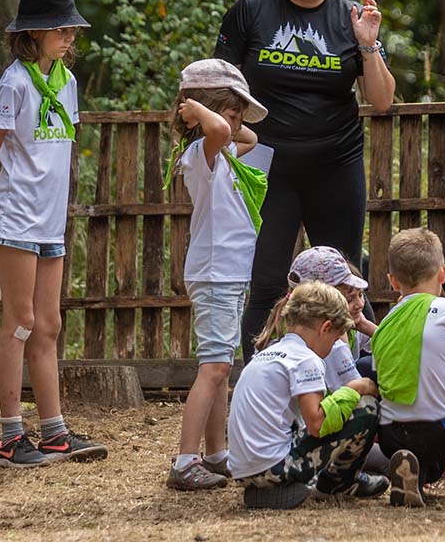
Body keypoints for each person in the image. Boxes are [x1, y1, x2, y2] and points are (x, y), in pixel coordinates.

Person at [215, 0, 396, 361]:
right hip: (267, 165)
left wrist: (368, 44)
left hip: (335, 164)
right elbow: (219, 88)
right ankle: (262, 379)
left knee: (346, 281)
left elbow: (382, 100)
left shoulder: (350, 16)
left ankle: (362, 378)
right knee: (267, 280)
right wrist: (224, 143)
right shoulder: (252, 9)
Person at [0, 0, 108, 469]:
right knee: (20, 322)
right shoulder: (13, 84)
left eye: (72, 29)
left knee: (49, 325)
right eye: (60, 28)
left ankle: (54, 432)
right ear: (32, 33)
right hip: (14, 217)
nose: (69, 36)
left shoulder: (67, 82)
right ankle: (10, 438)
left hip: (50, 222)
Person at [165, 59, 267, 490]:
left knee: (221, 366)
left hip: (229, 273)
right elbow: (223, 131)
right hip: (215, 274)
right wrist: (196, 111)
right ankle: (185, 459)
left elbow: (250, 136)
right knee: (214, 367)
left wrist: (223, 116)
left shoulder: (222, 154)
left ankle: (216, 452)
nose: (237, 121)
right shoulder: (200, 155)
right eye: (230, 110)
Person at [227, 281, 387, 510]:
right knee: (367, 408)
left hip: (243, 471)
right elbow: (316, 423)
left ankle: (269, 489)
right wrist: (355, 389)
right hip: (275, 468)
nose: (333, 346)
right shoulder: (305, 359)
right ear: (325, 328)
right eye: (336, 339)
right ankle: (338, 484)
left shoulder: (268, 353)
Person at [373, 228, 445, 508]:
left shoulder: (385, 323)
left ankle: (416, 478)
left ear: (392, 281)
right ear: (443, 273)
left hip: (390, 438)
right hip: (439, 434)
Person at [255, 246, 378, 392]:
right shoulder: (328, 338)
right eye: (349, 299)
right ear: (321, 299)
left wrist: (364, 325)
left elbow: (393, 345)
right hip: (305, 402)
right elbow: (353, 388)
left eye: (361, 295)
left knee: (367, 364)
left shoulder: (291, 318)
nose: (360, 304)